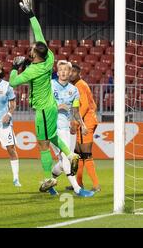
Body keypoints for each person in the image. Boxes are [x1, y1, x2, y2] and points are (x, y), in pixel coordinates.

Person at [9, 0, 79, 193]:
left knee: (42, 144)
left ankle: (49, 178)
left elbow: (13, 81)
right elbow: (39, 33)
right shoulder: (49, 58)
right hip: (50, 107)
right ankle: (69, 154)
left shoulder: (32, 71)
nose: (31, 49)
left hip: (42, 110)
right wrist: (31, 15)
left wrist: (15, 66)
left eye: (32, 50)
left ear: (35, 55)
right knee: (52, 136)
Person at [50, 61, 94, 197]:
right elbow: (40, 106)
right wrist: (57, 107)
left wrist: (83, 125)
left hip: (64, 128)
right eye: (60, 69)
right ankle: (77, 189)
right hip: (51, 127)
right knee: (66, 157)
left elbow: (75, 111)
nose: (63, 72)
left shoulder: (74, 90)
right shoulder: (50, 85)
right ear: (57, 72)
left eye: (66, 70)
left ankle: (50, 183)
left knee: (63, 163)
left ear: (70, 73)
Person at [69, 64, 101, 192]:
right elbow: (93, 105)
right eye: (70, 71)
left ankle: (96, 185)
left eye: (73, 72)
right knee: (78, 154)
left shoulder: (80, 85)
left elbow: (85, 106)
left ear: (79, 73)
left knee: (86, 154)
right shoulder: (79, 85)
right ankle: (78, 183)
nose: (70, 74)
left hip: (85, 123)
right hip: (87, 120)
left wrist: (78, 123)